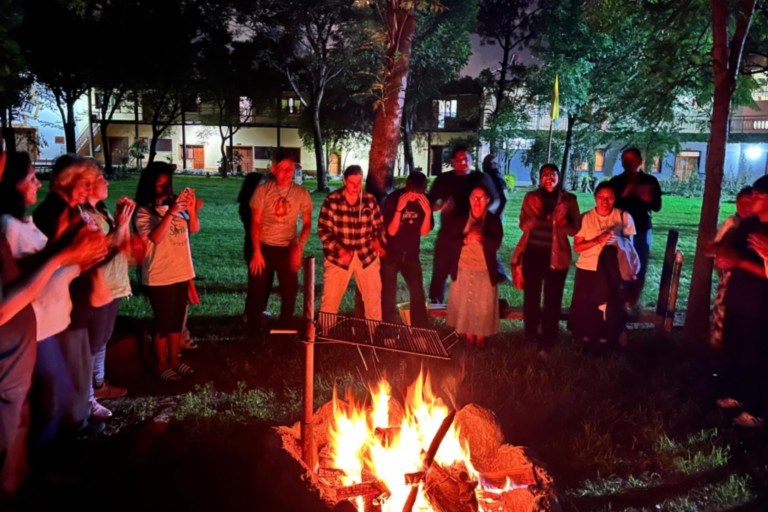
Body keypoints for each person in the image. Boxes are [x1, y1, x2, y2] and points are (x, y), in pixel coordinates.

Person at [0, 151, 107, 501]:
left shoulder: (27, 221)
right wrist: (70, 256)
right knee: (49, 403)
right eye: (31, 177)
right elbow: (34, 280)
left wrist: (83, 256)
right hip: (39, 328)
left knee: (47, 403)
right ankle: (41, 475)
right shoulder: (12, 225)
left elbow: (49, 265)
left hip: (47, 324)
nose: (38, 182)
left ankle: (38, 472)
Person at [32, 155, 111, 443]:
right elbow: (52, 263)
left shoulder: (72, 210)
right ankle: (67, 430)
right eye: (84, 183)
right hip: (59, 307)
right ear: (68, 181)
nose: (88, 189)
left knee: (78, 367)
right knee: (66, 374)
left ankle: (76, 420)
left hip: (73, 303)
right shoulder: (52, 214)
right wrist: (85, 256)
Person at [134, 162, 200, 381]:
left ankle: (174, 359)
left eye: (168, 184)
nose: (165, 189)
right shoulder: (143, 211)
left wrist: (191, 209)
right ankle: (160, 363)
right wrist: (171, 212)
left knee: (176, 321)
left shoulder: (176, 206)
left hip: (181, 270)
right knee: (163, 323)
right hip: (159, 275)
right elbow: (156, 238)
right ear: (149, 186)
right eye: (160, 184)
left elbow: (194, 228)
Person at [82, 168, 135, 420]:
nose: (107, 181)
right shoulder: (85, 216)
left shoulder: (102, 212)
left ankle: (99, 384)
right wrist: (121, 224)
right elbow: (100, 252)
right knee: (92, 343)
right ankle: (87, 398)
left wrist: (123, 221)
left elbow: (122, 245)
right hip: (99, 286)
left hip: (115, 284)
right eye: (101, 178)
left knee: (102, 339)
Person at [511, 164, 580, 357]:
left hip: (556, 256)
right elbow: (522, 223)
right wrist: (530, 222)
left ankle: (549, 339)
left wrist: (564, 225)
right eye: (544, 174)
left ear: (558, 176)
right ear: (540, 178)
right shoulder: (531, 198)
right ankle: (530, 336)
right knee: (531, 298)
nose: (548, 178)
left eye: (552, 174)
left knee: (552, 299)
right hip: (532, 253)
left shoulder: (568, 200)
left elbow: (575, 229)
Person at [247, 155, 312, 338]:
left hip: (287, 248)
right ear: (274, 169)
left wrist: (299, 246)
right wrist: (257, 252)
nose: (287, 173)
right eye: (283, 168)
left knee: (290, 290)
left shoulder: (301, 193)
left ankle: (285, 329)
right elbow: (255, 222)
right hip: (264, 247)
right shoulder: (263, 190)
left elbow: (307, 223)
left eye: (290, 168)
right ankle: (253, 333)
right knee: (257, 291)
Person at [569, 182, 637, 348]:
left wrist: (617, 241)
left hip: (611, 270)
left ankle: (607, 338)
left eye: (610, 197)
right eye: (601, 197)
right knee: (585, 305)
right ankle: (584, 337)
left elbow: (630, 248)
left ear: (615, 198)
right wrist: (598, 240)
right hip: (588, 267)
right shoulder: (585, 218)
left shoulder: (623, 217)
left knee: (608, 304)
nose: (605, 201)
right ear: (595, 197)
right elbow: (578, 247)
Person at [428, 147, 498, 303]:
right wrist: (440, 206)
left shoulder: (480, 178)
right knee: (440, 269)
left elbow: (495, 200)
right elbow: (430, 202)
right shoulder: (444, 179)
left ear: (471, 160)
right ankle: (435, 303)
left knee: (470, 271)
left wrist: (482, 217)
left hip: (473, 231)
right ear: (453, 162)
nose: (463, 163)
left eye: (466, 159)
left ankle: (470, 305)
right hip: (448, 233)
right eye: (459, 160)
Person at [317, 165, 385, 321]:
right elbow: (323, 230)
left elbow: (379, 227)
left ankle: (373, 333)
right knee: (330, 301)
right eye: (351, 183)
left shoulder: (369, 200)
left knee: (373, 300)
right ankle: (325, 333)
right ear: (344, 181)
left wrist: (378, 241)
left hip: (367, 257)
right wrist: (340, 250)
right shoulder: (332, 200)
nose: (355, 187)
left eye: (359, 183)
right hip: (338, 259)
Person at [446, 185, 504, 346]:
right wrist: (466, 238)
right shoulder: (460, 218)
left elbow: (496, 243)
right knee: (466, 303)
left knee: (482, 305)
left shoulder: (493, 220)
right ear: (470, 199)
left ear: (488, 200)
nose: (477, 202)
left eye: (481, 198)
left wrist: (482, 236)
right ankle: (468, 335)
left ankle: (480, 338)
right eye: (474, 198)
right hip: (463, 267)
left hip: (484, 269)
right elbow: (449, 241)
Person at [608, 148, 662, 303]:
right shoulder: (616, 182)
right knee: (618, 262)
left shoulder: (650, 181)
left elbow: (657, 206)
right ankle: (618, 297)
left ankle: (633, 299)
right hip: (619, 229)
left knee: (639, 263)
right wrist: (627, 192)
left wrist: (647, 198)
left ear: (639, 161)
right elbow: (611, 204)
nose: (628, 163)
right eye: (625, 159)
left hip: (641, 228)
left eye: (631, 159)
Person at [380, 171, 432, 327]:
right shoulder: (393, 199)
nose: (415, 197)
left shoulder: (424, 201)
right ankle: (387, 327)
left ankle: (420, 329)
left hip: (411, 254)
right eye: (412, 193)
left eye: (419, 193)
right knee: (388, 294)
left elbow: (424, 232)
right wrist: (399, 210)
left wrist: (428, 213)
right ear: (405, 186)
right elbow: (391, 231)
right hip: (391, 254)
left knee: (417, 292)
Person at [706, 187, 753, 349]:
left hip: (749, 279)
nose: (744, 206)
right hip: (729, 276)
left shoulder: (756, 226)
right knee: (723, 311)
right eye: (741, 202)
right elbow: (716, 245)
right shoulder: (732, 223)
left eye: (749, 202)